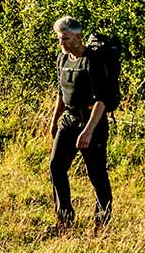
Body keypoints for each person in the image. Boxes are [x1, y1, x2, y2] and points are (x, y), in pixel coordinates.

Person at [48, 16, 118, 229]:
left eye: (66, 38)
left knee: (96, 174)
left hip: (92, 123)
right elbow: (61, 92)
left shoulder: (92, 61)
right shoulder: (62, 59)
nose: (61, 43)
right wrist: (54, 120)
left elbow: (101, 101)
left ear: (78, 37)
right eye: (60, 38)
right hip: (69, 121)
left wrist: (88, 131)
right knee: (56, 167)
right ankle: (64, 220)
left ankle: (102, 223)